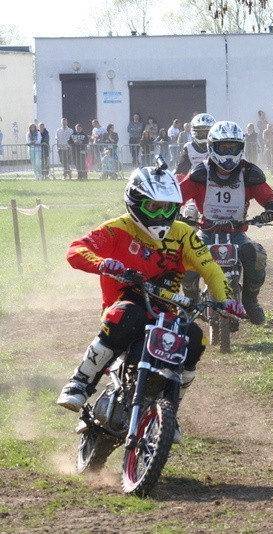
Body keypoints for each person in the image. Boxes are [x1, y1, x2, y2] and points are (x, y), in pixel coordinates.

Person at [56, 165, 245, 443]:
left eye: (168, 208)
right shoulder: (117, 228)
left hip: (166, 310)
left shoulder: (183, 234)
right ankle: (80, 382)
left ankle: (171, 412)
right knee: (126, 316)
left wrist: (226, 300)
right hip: (125, 302)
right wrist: (102, 264)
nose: (161, 215)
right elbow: (76, 250)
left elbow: (211, 269)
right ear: (135, 203)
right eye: (154, 207)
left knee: (195, 339)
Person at [179, 120, 273, 325]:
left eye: (232, 147)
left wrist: (269, 212)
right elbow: (176, 196)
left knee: (256, 255)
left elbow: (270, 199)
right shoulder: (199, 174)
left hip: (237, 232)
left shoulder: (250, 173)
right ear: (212, 147)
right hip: (206, 229)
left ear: (241, 148)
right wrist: (172, 211)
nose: (227, 152)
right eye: (222, 147)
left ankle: (250, 301)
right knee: (185, 257)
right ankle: (189, 303)